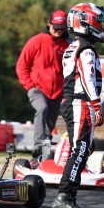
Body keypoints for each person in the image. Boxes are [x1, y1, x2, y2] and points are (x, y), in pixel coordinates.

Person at [52, 3, 104, 208]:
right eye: (99, 21)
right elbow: (86, 77)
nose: (102, 26)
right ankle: (65, 196)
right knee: (81, 150)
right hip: (80, 103)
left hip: (71, 102)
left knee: (83, 148)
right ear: (87, 23)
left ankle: (66, 195)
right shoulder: (86, 49)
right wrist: (96, 105)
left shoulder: (72, 46)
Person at [16, 9, 71, 165]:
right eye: (55, 28)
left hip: (57, 93)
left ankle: (42, 158)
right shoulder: (36, 41)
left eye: (62, 28)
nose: (58, 31)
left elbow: (70, 71)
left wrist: (67, 92)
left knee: (50, 126)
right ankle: (38, 146)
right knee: (42, 108)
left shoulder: (68, 46)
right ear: (48, 24)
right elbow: (21, 65)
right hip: (36, 88)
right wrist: (29, 85)